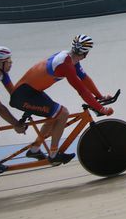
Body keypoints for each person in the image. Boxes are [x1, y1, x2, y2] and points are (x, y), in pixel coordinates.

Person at [10, 35, 114, 165]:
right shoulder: (65, 64)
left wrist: (100, 96)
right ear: (86, 53)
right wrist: (101, 108)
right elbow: (82, 90)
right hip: (24, 96)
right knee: (63, 113)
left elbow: (84, 78)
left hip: (31, 92)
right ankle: (53, 154)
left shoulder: (69, 58)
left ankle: (34, 149)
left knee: (53, 116)